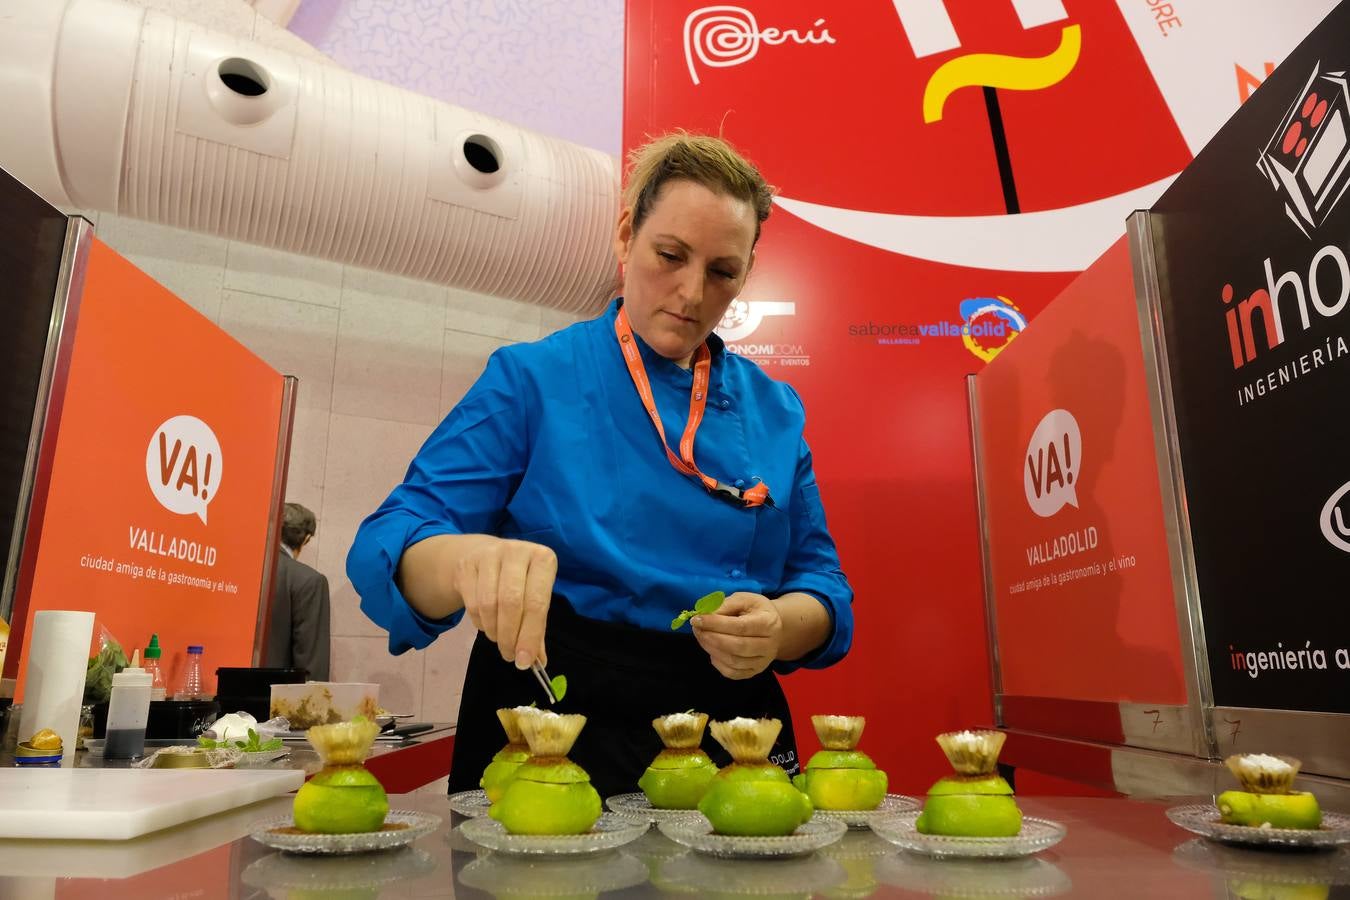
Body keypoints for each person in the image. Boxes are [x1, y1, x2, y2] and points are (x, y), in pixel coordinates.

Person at [348, 132, 853, 797]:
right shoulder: (532, 380)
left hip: (730, 727)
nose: (692, 291)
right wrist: (464, 560)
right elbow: (386, 541)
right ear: (626, 235)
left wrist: (782, 627)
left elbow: (823, 585)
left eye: (723, 271)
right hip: (553, 715)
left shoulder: (776, 411)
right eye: (669, 255)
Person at [265, 502, 331, 680]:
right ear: (306, 539)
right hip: (275, 701)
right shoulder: (309, 581)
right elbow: (312, 664)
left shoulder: (238, 569)